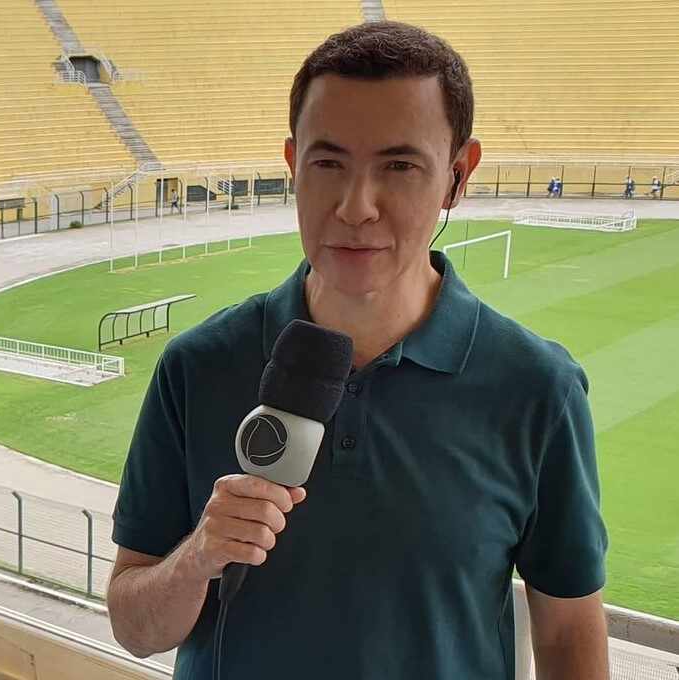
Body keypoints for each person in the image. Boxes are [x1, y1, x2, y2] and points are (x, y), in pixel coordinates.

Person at [106, 21, 608, 680]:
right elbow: (134, 627)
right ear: (292, 165)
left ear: (457, 176)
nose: (354, 206)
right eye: (328, 163)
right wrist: (199, 555)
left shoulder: (535, 389)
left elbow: (569, 629)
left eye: (398, 166)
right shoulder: (198, 366)